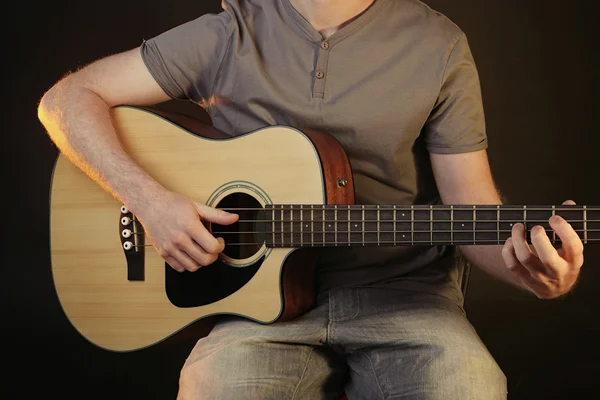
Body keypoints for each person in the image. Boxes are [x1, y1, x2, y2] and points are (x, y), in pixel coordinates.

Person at [38, 0, 585, 398]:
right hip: (258, 315)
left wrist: (533, 270)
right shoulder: (230, 32)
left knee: (469, 389)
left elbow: (473, 212)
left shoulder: (439, 44)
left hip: (409, 302)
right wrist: (151, 202)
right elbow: (65, 100)